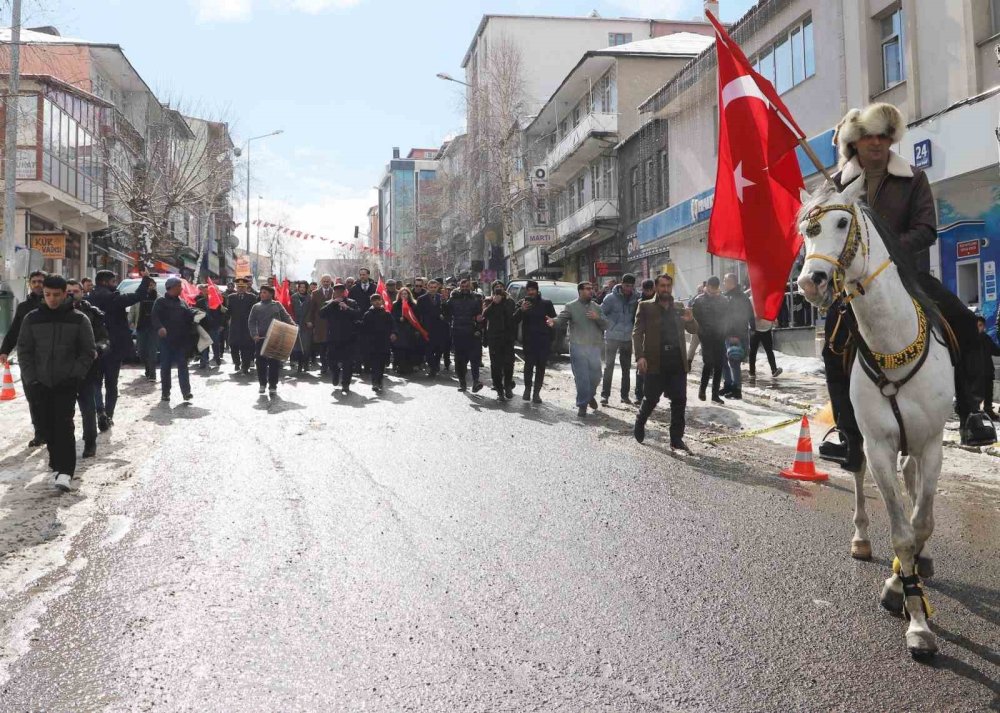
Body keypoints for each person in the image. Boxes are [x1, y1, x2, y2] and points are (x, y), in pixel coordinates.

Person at [822, 102, 994, 466]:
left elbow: (927, 229)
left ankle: (970, 413)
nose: (876, 144)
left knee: (964, 323)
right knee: (832, 346)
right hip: (855, 286)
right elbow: (825, 233)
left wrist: (890, 250)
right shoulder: (838, 185)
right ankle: (848, 434)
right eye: (868, 137)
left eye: (883, 136)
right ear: (855, 142)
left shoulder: (913, 178)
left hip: (909, 277)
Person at [16, 274, 95, 491]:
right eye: (47, 295)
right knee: (46, 427)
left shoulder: (79, 319)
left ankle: (65, 472)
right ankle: (56, 463)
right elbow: (24, 351)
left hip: (66, 382)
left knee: (64, 425)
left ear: (64, 294)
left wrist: (74, 376)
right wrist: (32, 378)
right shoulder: (32, 319)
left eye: (56, 295)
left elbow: (88, 352)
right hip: (39, 383)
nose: (51, 299)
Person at [633, 274, 699, 450]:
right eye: (662, 286)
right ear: (656, 287)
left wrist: (690, 319)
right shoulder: (645, 306)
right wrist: (640, 356)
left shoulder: (678, 307)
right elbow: (637, 333)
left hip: (676, 361)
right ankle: (640, 422)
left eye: (668, 286)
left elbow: (694, 329)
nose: (666, 289)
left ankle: (676, 439)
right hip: (655, 361)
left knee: (679, 401)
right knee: (651, 399)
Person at [82, 269, 154, 430]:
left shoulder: (88, 298)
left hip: (93, 346)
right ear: (106, 282)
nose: (115, 284)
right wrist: (145, 279)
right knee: (111, 384)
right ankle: (108, 415)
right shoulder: (113, 298)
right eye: (114, 281)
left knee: (95, 383)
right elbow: (138, 296)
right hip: (113, 347)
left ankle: (100, 411)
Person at [0, 270, 47, 447]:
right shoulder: (23, 307)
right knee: (33, 397)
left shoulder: (53, 305)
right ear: (30, 284)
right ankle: (39, 433)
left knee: (49, 397)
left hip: (50, 359)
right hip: (28, 360)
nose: (37, 285)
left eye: (41, 281)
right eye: (34, 282)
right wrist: (4, 350)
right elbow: (13, 332)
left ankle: (52, 430)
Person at [549, 282, 608, 418]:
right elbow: (561, 319)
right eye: (587, 289)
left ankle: (589, 396)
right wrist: (554, 322)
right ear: (580, 291)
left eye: (591, 289)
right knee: (582, 377)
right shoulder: (571, 306)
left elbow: (606, 324)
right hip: (577, 346)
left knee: (596, 376)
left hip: (594, 346)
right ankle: (582, 405)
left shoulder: (597, 307)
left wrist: (597, 317)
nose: (590, 291)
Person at [66, 279, 109, 459]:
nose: (72, 295)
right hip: (63, 369)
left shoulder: (92, 314)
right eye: (68, 291)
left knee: (88, 407)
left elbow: (104, 339)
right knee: (63, 411)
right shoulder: (54, 313)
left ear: (83, 293)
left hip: (87, 367)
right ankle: (64, 444)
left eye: (76, 291)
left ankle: (90, 442)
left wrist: (97, 350)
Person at [152, 277, 195, 403]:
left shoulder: (182, 302)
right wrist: (160, 327)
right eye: (179, 286)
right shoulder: (160, 302)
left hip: (180, 341)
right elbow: (154, 317)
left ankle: (186, 392)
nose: (181, 289)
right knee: (165, 367)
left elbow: (188, 317)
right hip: (166, 341)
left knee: (183, 366)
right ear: (172, 287)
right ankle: (165, 393)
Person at [513, 280, 556, 403]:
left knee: (541, 367)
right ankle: (527, 390)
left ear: (537, 290)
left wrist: (552, 340)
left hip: (543, 341)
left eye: (533, 290)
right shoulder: (522, 303)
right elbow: (514, 320)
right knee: (528, 366)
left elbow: (553, 321)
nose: (531, 292)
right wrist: (521, 310)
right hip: (529, 341)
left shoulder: (546, 303)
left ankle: (536, 393)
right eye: (529, 290)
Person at [600, 273, 639, 406]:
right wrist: (610, 326)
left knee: (626, 368)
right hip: (611, 337)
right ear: (621, 284)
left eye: (631, 286)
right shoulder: (610, 298)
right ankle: (605, 395)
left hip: (627, 338)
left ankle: (625, 396)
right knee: (609, 366)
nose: (629, 288)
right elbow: (601, 314)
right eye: (627, 285)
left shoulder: (636, 298)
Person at [249, 283, 294, 395]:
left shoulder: (277, 305)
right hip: (261, 338)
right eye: (261, 292)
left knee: (274, 363)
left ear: (271, 294)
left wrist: (293, 325)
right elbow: (251, 322)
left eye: (265, 292)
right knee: (261, 363)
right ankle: (262, 384)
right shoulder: (256, 306)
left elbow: (286, 316)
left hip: (275, 337)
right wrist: (254, 334)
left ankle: (273, 385)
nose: (262, 294)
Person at [690, 276, 728, 404]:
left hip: (719, 336)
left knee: (719, 365)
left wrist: (725, 331)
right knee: (708, 363)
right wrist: (700, 332)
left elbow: (727, 318)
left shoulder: (723, 300)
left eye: (716, 289)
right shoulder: (699, 300)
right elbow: (694, 319)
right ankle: (702, 389)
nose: (713, 291)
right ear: (707, 287)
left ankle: (715, 395)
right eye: (711, 289)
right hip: (705, 336)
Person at [319, 283, 362, 393]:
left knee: (348, 363)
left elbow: (358, 315)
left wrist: (347, 308)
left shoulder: (352, 302)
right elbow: (321, 314)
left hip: (348, 338)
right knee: (331, 361)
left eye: (341, 292)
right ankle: (335, 374)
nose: (338, 294)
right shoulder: (328, 303)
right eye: (336, 292)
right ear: (333, 293)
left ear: (344, 292)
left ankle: (346, 384)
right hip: (333, 338)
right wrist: (332, 303)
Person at [445, 278, 485, 392]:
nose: (464, 289)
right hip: (458, 332)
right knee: (460, 360)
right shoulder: (454, 298)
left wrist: (478, 329)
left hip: (473, 333)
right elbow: (447, 313)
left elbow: (480, 316)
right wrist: (445, 300)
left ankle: (476, 381)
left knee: (475, 359)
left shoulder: (476, 298)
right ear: (459, 287)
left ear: (470, 287)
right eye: (462, 287)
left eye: (466, 287)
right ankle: (462, 383)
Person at [721, 274, 753, 400]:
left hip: (735, 334)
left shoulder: (739, 297)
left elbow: (745, 315)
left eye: (725, 281)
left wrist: (736, 334)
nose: (723, 283)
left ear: (731, 282)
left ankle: (737, 389)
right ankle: (728, 385)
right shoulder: (727, 296)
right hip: (727, 333)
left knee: (734, 361)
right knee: (724, 361)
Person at [483, 283, 517, 400]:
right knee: (496, 366)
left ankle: (507, 386)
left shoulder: (510, 302)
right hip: (494, 338)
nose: (499, 290)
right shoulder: (489, 301)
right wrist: (494, 303)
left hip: (507, 338)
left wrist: (502, 302)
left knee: (508, 364)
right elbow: (485, 315)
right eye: (496, 288)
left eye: (501, 288)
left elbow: (510, 316)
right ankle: (499, 389)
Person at [360, 293, 395, 393]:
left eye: (378, 300)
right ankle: (375, 382)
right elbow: (363, 328)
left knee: (381, 364)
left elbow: (393, 325)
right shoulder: (368, 314)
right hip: (372, 343)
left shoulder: (387, 314)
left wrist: (393, 333)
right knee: (374, 364)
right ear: (371, 302)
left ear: (382, 301)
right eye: (374, 300)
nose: (377, 302)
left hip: (384, 343)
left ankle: (379, 380)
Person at [416, 279, 449, 377]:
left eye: (435, 287)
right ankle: (432, 367)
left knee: (439, 349)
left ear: (438, 287)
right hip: (427, 327)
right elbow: (418, 314)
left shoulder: (441, 297)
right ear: (427, 287)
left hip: (440, 327)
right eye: (431, 287)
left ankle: (436, 364)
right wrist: (419, 328)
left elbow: (447, 311)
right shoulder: (421, 299)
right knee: (428, 350)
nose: (433, 289)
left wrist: (444, 313)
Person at [226, 278, 258, 374]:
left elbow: (254, 312)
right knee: (233, 346)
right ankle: (236, 362)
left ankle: (245, 366)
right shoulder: (231, 297)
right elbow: (229, 311)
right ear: (236, 287)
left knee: (246, 347)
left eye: (243, 287)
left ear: (246, 287)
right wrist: (224, 313)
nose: (240, 289)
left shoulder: (252, 297)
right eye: (239, 287)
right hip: (234, 326)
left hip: (247, 326)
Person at [390, 286, 424, 376]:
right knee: (399, 349)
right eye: (402, 294)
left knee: (410, 348)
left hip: (410, 330)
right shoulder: (395, 304)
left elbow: (417, 318)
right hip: (399, 330)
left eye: (405, 294)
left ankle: (409, 366)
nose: (404, 295)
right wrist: (398, 318)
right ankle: (399, 365)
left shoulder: (414, 305)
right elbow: (392, 317)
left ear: (409, 295)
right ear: (399, 295)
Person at [632, 278, 656, 404]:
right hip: (642, 338)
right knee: (641, 368)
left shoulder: (659, 300)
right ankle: (639, 395)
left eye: (650, 290)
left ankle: (651, 394)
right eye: (646, 290)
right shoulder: (639, 302)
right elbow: (634, 321)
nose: (648, 292)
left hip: (655, 338)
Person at [306, 274, 335, 375]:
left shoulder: (335, 292)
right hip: (320, 323)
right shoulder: (315, 293)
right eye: (324, 281)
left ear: (331, 282)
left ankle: (331, 365)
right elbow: (311, 309)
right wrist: (310, 320)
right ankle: (323, 366)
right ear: (321, 282)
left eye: (328, 281)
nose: (326, 283)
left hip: (332, 323)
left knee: (331, 346)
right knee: (322, 346)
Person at [134, 278, 160, 381]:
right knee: (141, 352)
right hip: (141, 327)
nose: (150, 287)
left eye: (152, 285)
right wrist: (130, 321)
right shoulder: (138, 297)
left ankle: (153, 374)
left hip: (153, 328)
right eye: (149, 285)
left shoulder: (158, 298)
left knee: (152, 351)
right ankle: (148, 368)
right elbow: (133, 310)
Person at [195, 284, 225, 369]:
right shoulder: (199, 302)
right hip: (203, 326)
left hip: (214, 325)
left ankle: (217, 357)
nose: (206, 292)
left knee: (215, 343)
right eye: (204, 290)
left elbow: (222, 314)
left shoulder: (216, 301)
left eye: (207, 290)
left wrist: (222, 324)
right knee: (204, 344)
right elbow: (196, 313)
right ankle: (204, 361)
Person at [748, 316, 782, 384]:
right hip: (764, 330)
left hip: (757, 330)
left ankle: (752, 372)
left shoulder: (754, 305)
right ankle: (774, 370)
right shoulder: (767, 305)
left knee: (753, 352)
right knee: (768, 351)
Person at [978, 316, 999, 419]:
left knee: (988, 393)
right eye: (976, 325)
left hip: (987, 371)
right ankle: (975, 413)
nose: (978, 327)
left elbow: (995, 351)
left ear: (984, 327)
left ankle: (988, 410)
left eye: (980, 325)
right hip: (975, 372)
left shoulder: (987, 338)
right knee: (977, 394)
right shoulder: (970, 340)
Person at [290, 281, 313, 374]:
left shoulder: (310, 297)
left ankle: (306, 363)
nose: (302, 289)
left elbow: (311, 310)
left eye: (304, 287)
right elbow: (290, 310)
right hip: (295, 323)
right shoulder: (293, 297)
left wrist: (309, 321)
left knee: (306, 346)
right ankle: (299, 364)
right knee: (297, 346)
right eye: (300, 287)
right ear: (298, 288)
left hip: (306, 325)